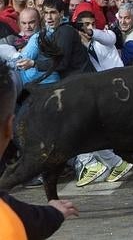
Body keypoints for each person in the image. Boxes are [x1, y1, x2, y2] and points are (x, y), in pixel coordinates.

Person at [0, 61, 78, 239]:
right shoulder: (8, 223)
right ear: (9, 127)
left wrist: (51, 213)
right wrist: (54, 213)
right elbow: (24, 218)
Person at [72, 11, 133, 187]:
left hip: (118, 91)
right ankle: (111, 164)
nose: (88, 28)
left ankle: (97, 164)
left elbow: (110, 39)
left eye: (92, 24)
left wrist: (92, 33)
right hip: (102, 93)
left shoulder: (105, 37)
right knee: (89, 131)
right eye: (84, 25)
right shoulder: (80, 47)